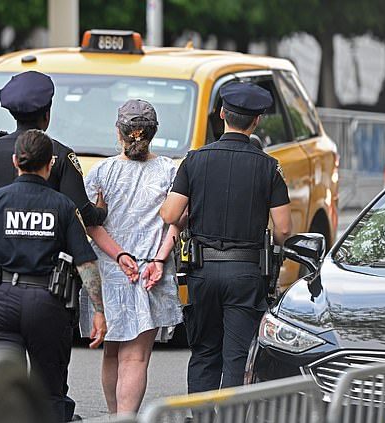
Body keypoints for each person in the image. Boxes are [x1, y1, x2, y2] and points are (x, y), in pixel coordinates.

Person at [0, 129, 107, 422]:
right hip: (47, 304)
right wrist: (98, 311)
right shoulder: (63, 207)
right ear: (51, 164)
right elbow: (86, 264)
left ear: (14, 161)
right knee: (49, 392)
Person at [159, 82, 292, 393]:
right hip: (246, 274)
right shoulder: (269, 167)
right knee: (236, 358)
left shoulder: (194, 160)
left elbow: (169, 214)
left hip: (202, 273)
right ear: (256, 121)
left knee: (204, 353)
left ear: (221, 114)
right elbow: (284, 229)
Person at [79, 99, 182, 414]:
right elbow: (177, 222)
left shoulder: (102, 172)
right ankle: (127, 419)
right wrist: (160, 259)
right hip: (151, 270)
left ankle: (114, 416)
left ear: (119, 132)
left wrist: (118, 255)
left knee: (112, 352)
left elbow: (89, 223)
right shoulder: (169, 171)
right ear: (153, 134)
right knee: (135, 357)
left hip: (110, 270)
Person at [0, 70, 106, 228]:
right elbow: (83, 214)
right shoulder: (61, 154)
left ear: (13, 115)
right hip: (48, 251)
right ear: (46, 115)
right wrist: (101, 210)